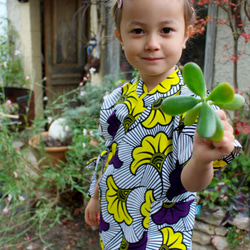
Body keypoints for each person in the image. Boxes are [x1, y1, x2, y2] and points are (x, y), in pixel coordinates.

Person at [84, 0, 242, 249]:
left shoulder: (195, 106)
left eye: (166, 30)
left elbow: (191, 183)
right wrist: (95, 196)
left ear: (186, 35)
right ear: (120, 37)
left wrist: (202, 159)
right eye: (138, 31)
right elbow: (109, 152)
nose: (152, 44)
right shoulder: (115, 100)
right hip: (115, 219)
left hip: (162, 232)